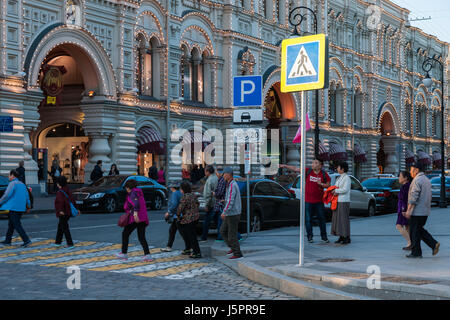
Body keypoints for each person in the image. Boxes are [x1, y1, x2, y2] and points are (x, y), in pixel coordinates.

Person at [280, 159, 331, 243]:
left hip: (319, 201)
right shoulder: (308, 171)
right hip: (308, 201)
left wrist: (321, 184)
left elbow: (328, 184)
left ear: (320, 165)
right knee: (308, 220)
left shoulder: (324, 174)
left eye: (315, 163)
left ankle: (324, 237)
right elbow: (296, 168)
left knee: (321, 219)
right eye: (313, 162)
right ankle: (310, 237)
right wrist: (285, 166)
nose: (313, 164)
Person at [404, 162, 440, 258]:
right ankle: (433, 244)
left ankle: (416, 253)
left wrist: (408, 210)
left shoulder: (417, 180)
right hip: (425, 211)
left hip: (417, 211)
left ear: (416, 170)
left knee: (414, 232)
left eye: (411, 170)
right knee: (419, 230)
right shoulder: (426, 180)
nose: (410, 172)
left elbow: (413, 197)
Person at [116, 179, 152, 261]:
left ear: (128, 187)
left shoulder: (133, 193)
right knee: (141, 237)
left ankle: (124, 253)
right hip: (143, 217)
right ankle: (147, 255)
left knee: (125, 233)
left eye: (126, 188)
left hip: (135, 218)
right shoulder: (139, 192)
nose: (126, 189)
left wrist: (135, 214)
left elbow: (136, 204)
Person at [0, 170, 32, 247]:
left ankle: (26, 240)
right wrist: (28, 206)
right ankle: (8, 241)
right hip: (20, 208)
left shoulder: (12, 184)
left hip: (14, 207)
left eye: (9, 175)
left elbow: (6, 195)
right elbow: (27, 196)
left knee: (17, 225)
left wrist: (0, 202)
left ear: (13, 176)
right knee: (11, 224)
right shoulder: (22, 184)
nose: (8, 177)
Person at [220, 167, 243, 259]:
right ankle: (232, 247)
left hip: (232, 213)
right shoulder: (230, 184)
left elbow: (231, 200)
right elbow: (229, 199)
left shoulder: (232, 185)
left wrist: (224, 212)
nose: (223, 176)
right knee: (223, 231)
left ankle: (237, 253)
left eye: (224, 174)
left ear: (228, 174)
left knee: (232, 235)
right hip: (231, 213)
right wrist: (224, 201)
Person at [177, 181, 202, 259]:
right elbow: (198, 204)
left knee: (191, 236)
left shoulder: (185, 197)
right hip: (195, 218)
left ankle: (196, 252)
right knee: (191, 234)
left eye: (180, 189)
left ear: (183, 189)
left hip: (188, 219)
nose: (180, 190)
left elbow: (180, 208)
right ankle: (188, 248)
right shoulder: (193, 195)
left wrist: (178, 214)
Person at [54, 176, 78, 248]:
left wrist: (60, 210)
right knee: (60, 226)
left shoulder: (60, 192)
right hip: (68, 212)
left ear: (59, 184)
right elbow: (72, 200)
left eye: (57, 183)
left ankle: (70, 243)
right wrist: (77, 208)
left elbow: (60, 202)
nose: (56, 184)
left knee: (64, 228)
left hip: (63, 212)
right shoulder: (67, 190)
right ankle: (58, 242)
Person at [331, 161, 351, 245]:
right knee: (338, 219)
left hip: (344, 201)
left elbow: (345, 189)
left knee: (343, 219)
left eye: (338, 167)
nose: (337, 169)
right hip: (337, 200)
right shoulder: (339, 177)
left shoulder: (347, 178)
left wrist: (336, 190)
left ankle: (346, 236)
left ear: (342, 169)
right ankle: (341, 236)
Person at [161, 181, 183, 252]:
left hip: (177, 216)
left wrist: (169, 212)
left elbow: (174, 204)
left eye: (170, 187)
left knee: (182, 232)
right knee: (172, 231)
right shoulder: (179, 193)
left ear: (172, 187)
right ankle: (169, 246)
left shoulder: (175, 193)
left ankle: (190, 247)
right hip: (178, 215)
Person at [200, 165, 219, 242]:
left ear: (207, 171)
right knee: (217, 221)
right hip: (217, 203)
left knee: (207, 221)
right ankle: (220, 235)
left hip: (211, 204)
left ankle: (204, 237)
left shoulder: (210, 180)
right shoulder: (216, 178)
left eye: (205, 171)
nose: (204, 172)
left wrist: (207, 205)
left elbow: (208, 194)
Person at [397, 171, 412, 251]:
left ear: (405, 178)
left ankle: (410, 242)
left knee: (398, 226)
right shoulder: (407, 186)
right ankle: (410, 243)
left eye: (400, 176)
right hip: (405, 208)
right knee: (407, 227)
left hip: (403, 209)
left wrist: (403, 209)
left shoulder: (405, 187)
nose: (399, 178)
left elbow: (405, 199)